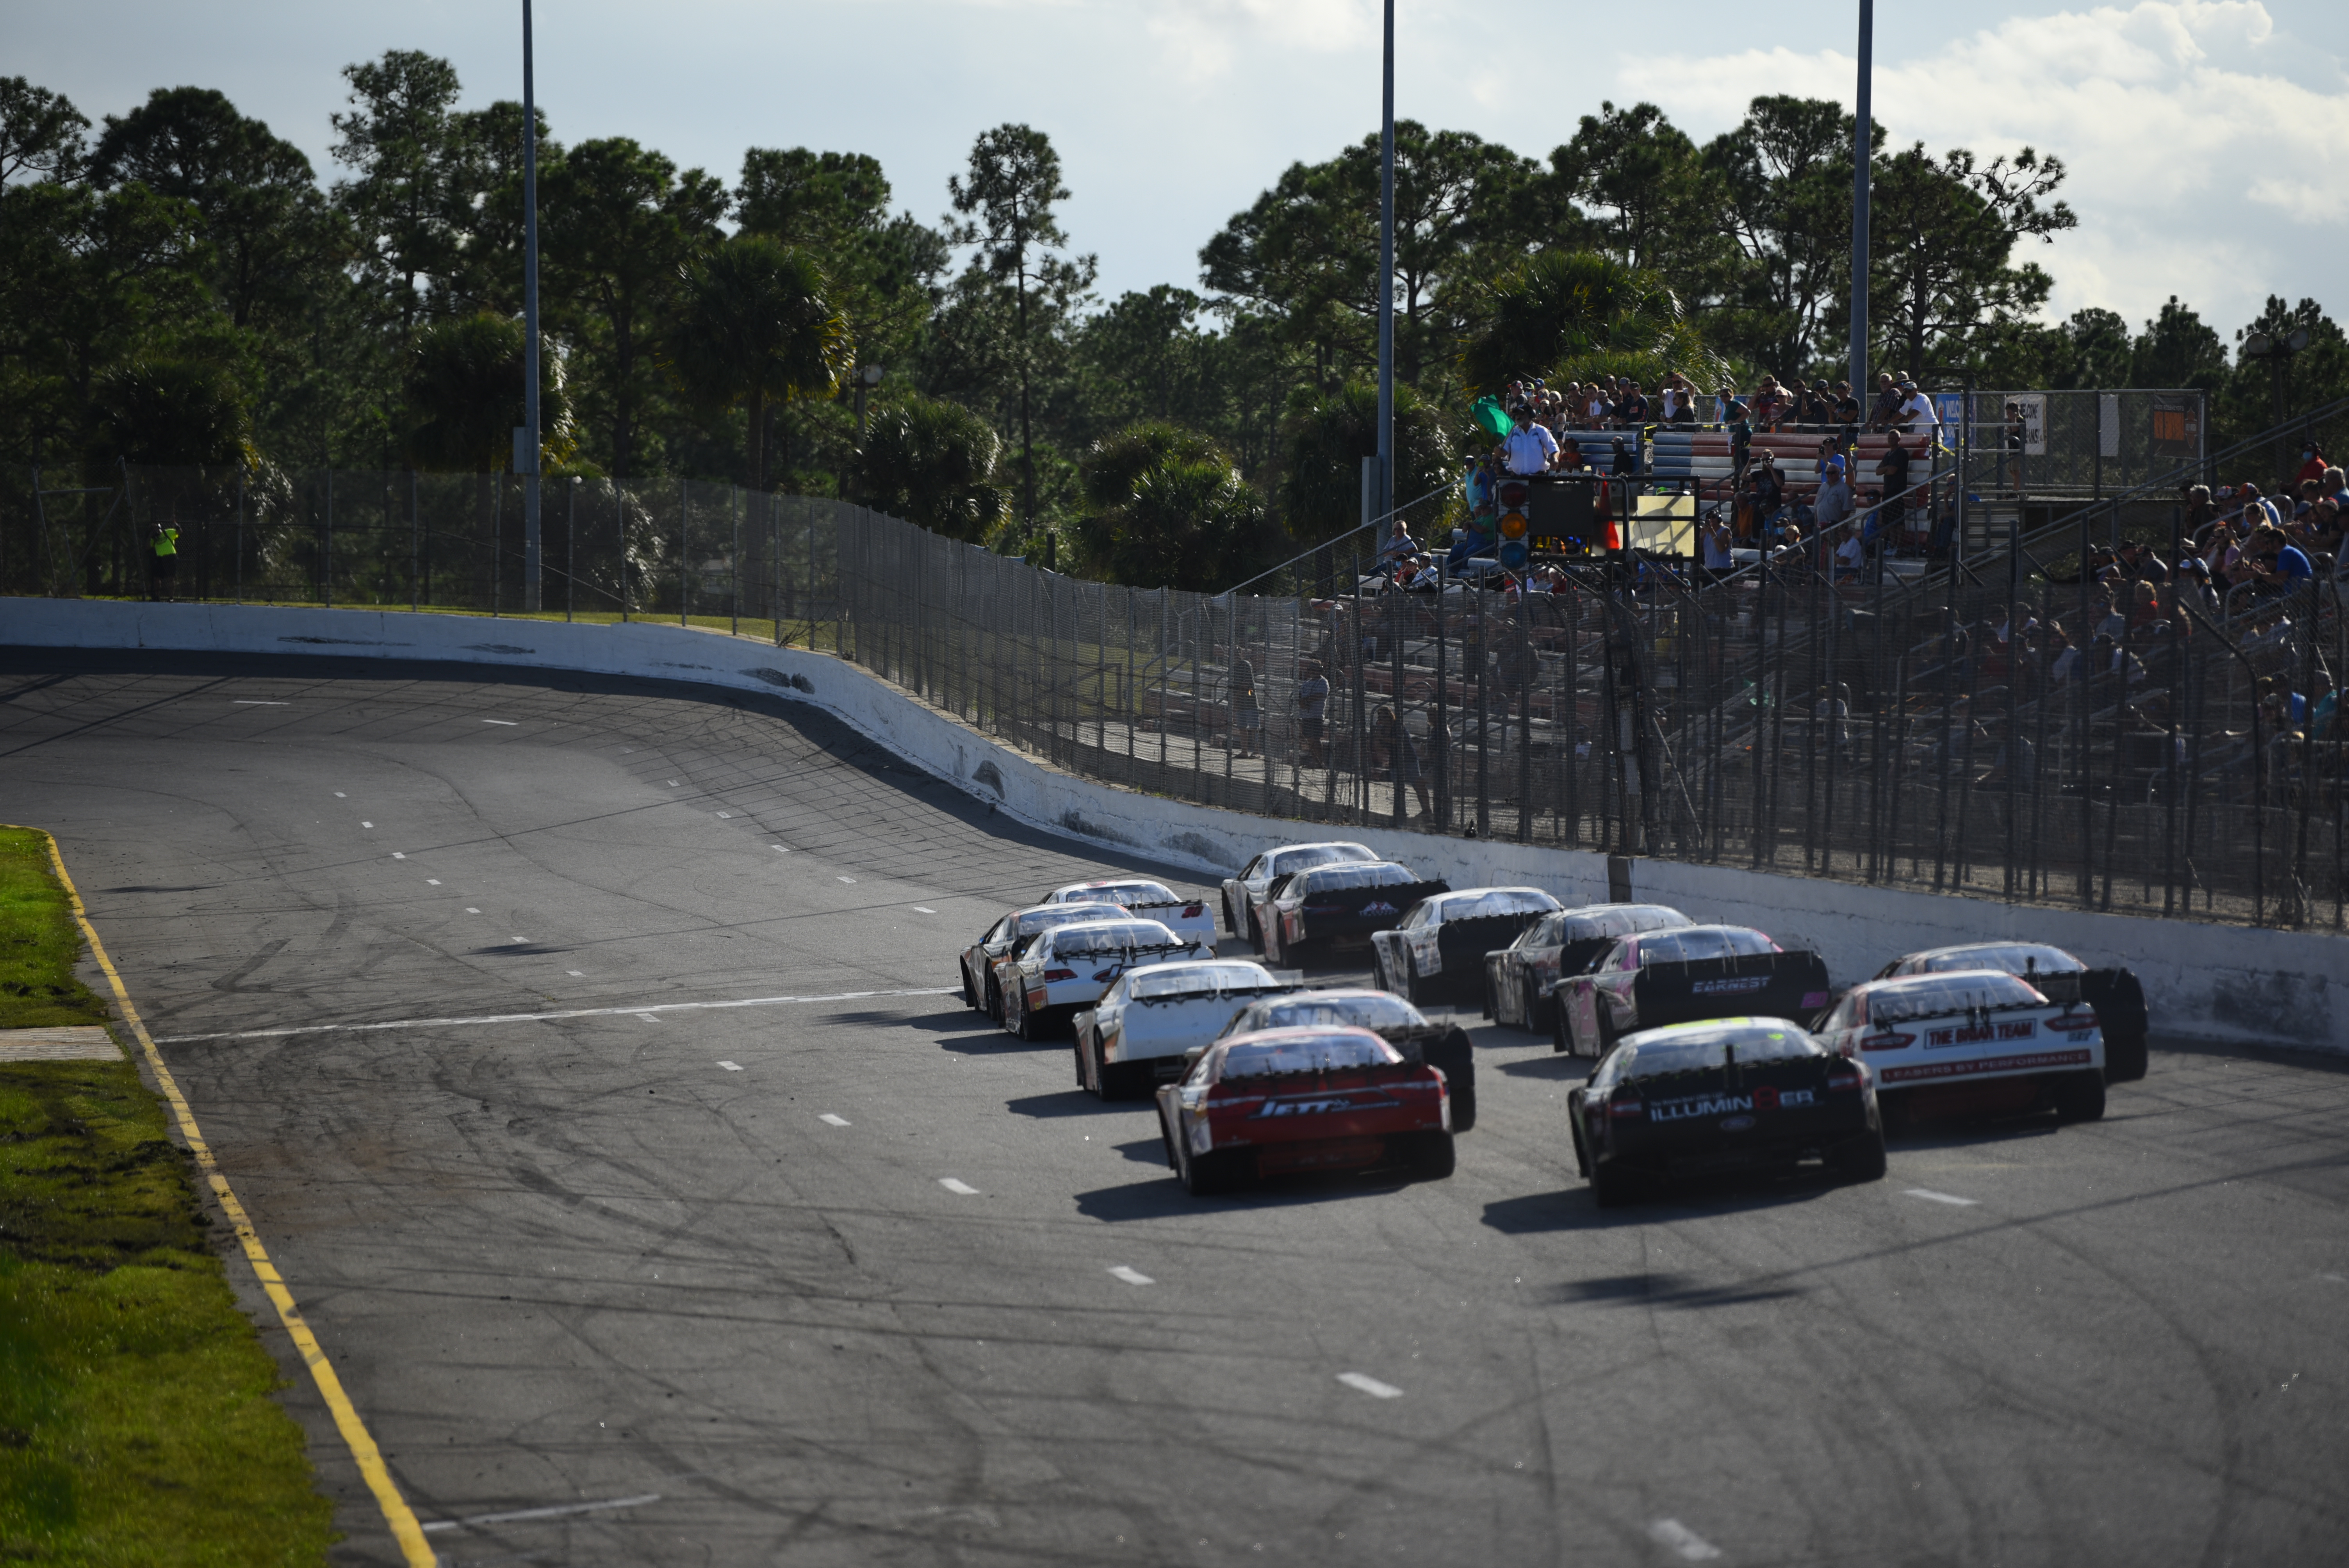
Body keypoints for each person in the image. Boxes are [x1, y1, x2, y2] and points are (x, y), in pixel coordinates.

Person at [1369, 703, 1430, 818]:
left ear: (1390, 716)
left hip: (1409, 759)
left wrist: (1383, 738)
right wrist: (1377, 736)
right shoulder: (1382, 731)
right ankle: (1401, 811)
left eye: (1384, 717)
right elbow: (1380, 749)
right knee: (1398, 786)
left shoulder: (1398, 726)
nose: (1382, 720)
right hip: (1395, 761)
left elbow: (1399, 742)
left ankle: (1427, 810)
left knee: (1417, 784)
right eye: (1380, 718)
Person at [1294, 659, 1330, 767]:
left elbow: (1320, 695)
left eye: (1316, 670)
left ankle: (1319, 762)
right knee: (1309, 739)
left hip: (1316, 715)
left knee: (1315, 739)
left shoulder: (1323, 682)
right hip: (1306, 715)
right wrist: (1301, 701)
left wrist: (1307, 700)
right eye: (1311, 670)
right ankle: (1314, 761)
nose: (1313, 672)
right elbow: (1300, 695)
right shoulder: (1307, 682)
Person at [1502, 408, 1559, 476]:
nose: (1518, 416)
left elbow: (1554, 449)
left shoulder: (1542, 431)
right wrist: (1498, 451)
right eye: (1517, 414)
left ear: (1531, 415)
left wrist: (1554, 458)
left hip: (1538, 478)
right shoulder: (1512, 432)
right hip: (1517, 479)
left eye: (1522, 414)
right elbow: (1503, 453)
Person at [1230, 653, 1261, 757]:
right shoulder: (1233, 668)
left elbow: (1247, 684)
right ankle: (1244, 751)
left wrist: (1236, 698)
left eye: (1238, 652)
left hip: (1249, 700)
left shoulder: (1246, 665)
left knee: (1254, 727)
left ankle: (1256, 751)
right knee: (1242, 727)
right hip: (1240, 703)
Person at [148, 520, 180, 601]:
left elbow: (179, 532)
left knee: (170, 578)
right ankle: (157, 597)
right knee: (157, 578)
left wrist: (177, 526)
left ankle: (171, 597)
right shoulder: (154, 539)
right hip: (160, 558)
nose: (156, 531)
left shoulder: (168, 532)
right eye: (153, 530)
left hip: (170, 557)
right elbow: (147, 547)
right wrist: (150, 536)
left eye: (157, 529)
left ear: (160, 528)